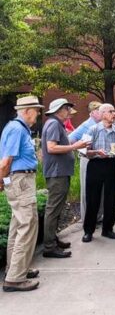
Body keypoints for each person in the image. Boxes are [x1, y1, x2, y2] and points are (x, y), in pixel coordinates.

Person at [0, 95, 44, 292]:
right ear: (27, 111)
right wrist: (1, 180)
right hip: (21, 181)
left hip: (19, 179)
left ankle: (15, 269)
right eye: (36, 110)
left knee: (17, 227)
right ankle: (16, 278)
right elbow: (5, 162)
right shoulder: (17, 129)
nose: (38, 113)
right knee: (27, 226)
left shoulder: (16, 128)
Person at [42, 98, 89, 259]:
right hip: (57, 173)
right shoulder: (54, 124)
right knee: (53, 209)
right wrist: (75, 146)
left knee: (57, 208)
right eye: (67, 108)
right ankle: (49, 246)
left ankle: (53, 240)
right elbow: (52, 147)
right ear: (59, 110)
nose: (70, 111)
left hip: (60, 172)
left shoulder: (55, 124)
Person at [81, 104, 115, 243]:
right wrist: (96, 152)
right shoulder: (92, 129)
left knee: (111, 198)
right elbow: (83, 151)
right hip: (95, 164)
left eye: (114, 111)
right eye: (111, 111)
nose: (114, 114)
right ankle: (88, 231)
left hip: (111, 164)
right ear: (103, 113)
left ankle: (108, 229)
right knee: (93, 198)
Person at [68, 101, 102, 221]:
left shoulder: (100, 124)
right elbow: (70, 139)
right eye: (99, 111)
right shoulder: (86, 125)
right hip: (87, 160)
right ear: (92, 113)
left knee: (98, 189)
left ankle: (97, 217)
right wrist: (80, 147)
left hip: (98, 160)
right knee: (86, 190)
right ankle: (86, 218)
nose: (102, 113)